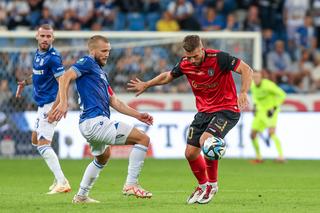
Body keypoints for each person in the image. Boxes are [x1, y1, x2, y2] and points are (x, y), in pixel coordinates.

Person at [127, 35, 253, 204]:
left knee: (206, 141)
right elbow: (167, 76)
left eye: (195, 56)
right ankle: (202, 185)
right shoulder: (185, 63)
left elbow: (247, 70)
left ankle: (212, 186)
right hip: (204, 112)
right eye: (189, 57)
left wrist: (243, 91)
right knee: (190, 153)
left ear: (202, 48)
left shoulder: (219, 58)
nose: (193, 60)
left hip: (226, 109)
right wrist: (147, 84)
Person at [51, 35, 153, 203]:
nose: (107, 54)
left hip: (89, 124)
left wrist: (138, 115)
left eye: (109, 51)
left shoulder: (101, 73)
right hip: (95, 122)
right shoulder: (87, 62)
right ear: (93, 51)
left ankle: (81, 196)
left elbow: (115, 102)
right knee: (143, 139)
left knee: (103, 156)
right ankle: (131, 184)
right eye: (103, 51)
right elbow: (65, 77)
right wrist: (63, 103)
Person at [15, 24, 71, 194]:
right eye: (43, 36)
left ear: (53, 38)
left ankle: (62, 182)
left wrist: (60, 104)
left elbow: (63, 81)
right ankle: (57, 176)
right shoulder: (38, 55)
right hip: (41, 105)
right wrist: (24, 83)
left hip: (50, 104)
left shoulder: (54, 57)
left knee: (42, 144)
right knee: (35, 139)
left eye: (49, 36)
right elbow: (38, 75)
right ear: (37, 37)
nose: (46, 39)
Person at [250, 71, 286, 163]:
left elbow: (282, 94)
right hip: (260, 112)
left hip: (270, 111)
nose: (256, 79)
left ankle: (281, 157)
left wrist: (274, 108)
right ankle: (259, 157)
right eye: (254, 77)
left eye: (258, 77)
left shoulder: (268, 85)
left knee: (271, 132)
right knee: (252, 135)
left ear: (262, 77)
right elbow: (255, 98)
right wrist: (254, 107)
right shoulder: (252, 86)